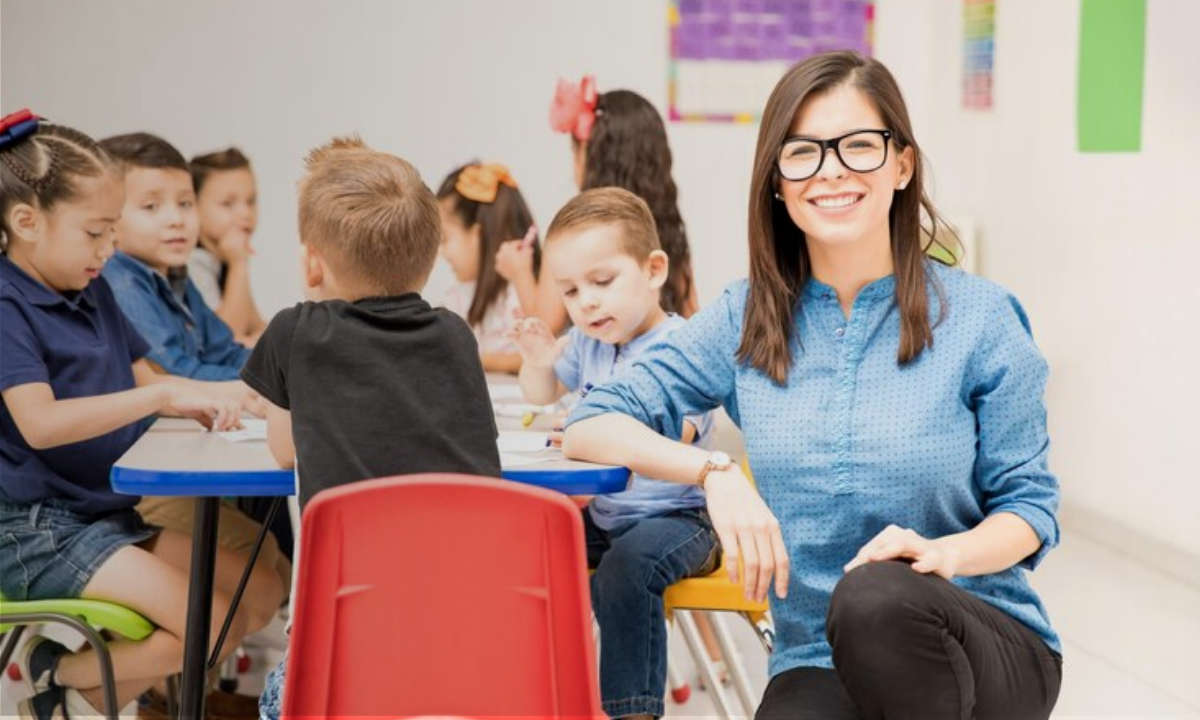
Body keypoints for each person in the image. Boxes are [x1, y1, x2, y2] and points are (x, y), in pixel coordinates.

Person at [563, 51, 1063, 720]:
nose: (831, 171)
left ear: (901, 164)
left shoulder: (981, 317)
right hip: (816, 654)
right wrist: (714, 472)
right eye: (803, 153)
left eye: (858, 146)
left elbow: (1030, 510)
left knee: (874, 596)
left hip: (978, 635)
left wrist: (945, 554)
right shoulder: (745, 317)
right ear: (777, 180)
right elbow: (590, 423)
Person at [0, 110, 280, 719]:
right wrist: (161, 398)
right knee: (207, 621)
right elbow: (40, 423)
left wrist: (212, 399)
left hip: (102, 510)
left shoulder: (90, 284)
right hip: (35, 529)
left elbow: (152, 376)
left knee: (253, 596)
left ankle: (63, 697)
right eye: (96, 231)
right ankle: (50, 671)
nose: (108, 248)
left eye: (109, 231)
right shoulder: (6, 304)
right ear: (26, 223)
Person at [244, 135, 502, 719]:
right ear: (431, 256)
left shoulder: (293, 331)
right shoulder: (457, 335)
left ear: (313, 261)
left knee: (280, 696)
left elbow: (284, 455)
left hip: (348, 634)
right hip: (466, 633)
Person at [510, 187, 718, 720]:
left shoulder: (685, 348)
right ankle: (530, 696)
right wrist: (537, 360)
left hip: (679, 518)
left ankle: (629, 711)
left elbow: (682, 441)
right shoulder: (588, 346)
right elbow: (539, 395)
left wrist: (594, 432)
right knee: (522, 546)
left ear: (653, 270)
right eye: (571, 291)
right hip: (607, 516)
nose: (588, 303)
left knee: (627, 570)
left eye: (601, 283)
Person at [496, 77, 700, 334]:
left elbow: (543, 327)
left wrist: (519, 272)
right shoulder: (669, 228)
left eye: (575, 153)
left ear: (593, 158)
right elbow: (693, 316)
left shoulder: (575, 233)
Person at [436, 162, 538, 374]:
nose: (441, 252)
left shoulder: (520, 294)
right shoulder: (454, 301)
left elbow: (540, 355)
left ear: (478, 236)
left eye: (444, 239)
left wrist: (481, 361)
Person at [189, 147, 267, 345]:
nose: (245, 213)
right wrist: (239, 264)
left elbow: (256, 327)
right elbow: (225, 338)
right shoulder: (194, 261)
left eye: (251, 201)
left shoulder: (226, 256)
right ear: (193, 205)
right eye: (227, 203)